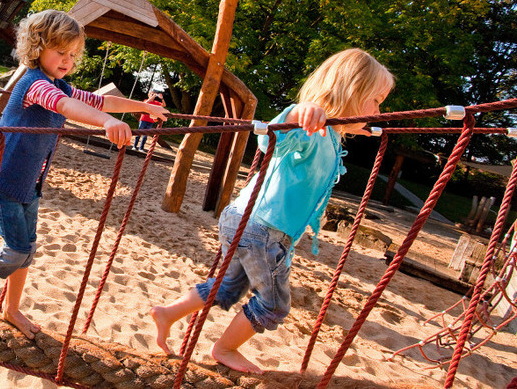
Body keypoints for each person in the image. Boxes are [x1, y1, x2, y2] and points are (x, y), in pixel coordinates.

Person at [151, 48, 394, 373]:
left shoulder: (330, 134)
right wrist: (298, 113)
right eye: (375, 101)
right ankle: (225, 348)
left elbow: (329, 141)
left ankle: (168, 313)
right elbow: (271, 141)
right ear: (352, 92)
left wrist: (350, 126)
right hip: (261, 229)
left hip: (248, 221)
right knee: (274, 305)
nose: (380, 110)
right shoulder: (311, 127)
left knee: (228, 287)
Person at [0, 10, 169, 339]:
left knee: (28, 248)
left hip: (30, 180)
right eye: (60, 52)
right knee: (17, 249)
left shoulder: (58, 83)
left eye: (73, 54)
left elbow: (98, 100)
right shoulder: (35, 85)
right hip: (6, 177)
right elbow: (64, 106)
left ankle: (12, 308)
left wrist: (143, 107)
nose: (67, 60)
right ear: (37, 48)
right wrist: (105, 122)